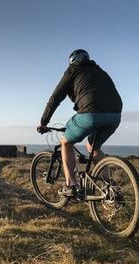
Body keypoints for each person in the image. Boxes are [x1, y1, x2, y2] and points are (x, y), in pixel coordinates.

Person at [37, 49, 122, 197]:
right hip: (115, 115)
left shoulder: (72, 71)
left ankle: (71, 185)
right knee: (93, 147)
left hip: (90, 114)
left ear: (72, 62)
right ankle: (109, 187)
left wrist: (44, 122)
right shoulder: (99, 70)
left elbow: (55, 98)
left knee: (66, 142)